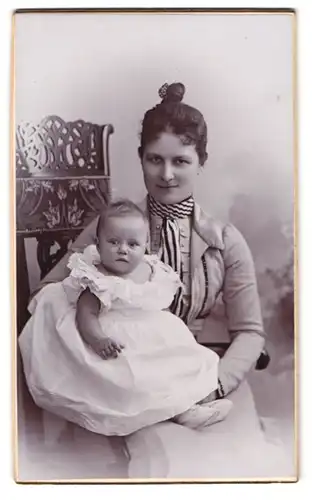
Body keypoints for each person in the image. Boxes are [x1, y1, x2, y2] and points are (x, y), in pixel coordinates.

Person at [28, 81, 266, 404]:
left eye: (180, 161)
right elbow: (48, 294)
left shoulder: (225, 242)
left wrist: (216, 385)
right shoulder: (111, 229)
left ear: (201, 161)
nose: (166, 174)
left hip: (200, 373)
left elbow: (250, 333)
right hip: (119, 375)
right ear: (141, 158)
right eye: (155, 159)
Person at [19, 199, 233, 436]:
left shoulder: (151, 269)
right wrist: (98, 339)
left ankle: (193, 402)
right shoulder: (97, 277)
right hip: (115, 336)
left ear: (145, 246)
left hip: (146, 329)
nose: (123, 249)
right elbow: (86, 314)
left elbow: (154, 303)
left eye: (133, 244)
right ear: (98, 245)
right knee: (136, 379)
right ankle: (180, 412)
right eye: (113, 242)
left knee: (181, 360)